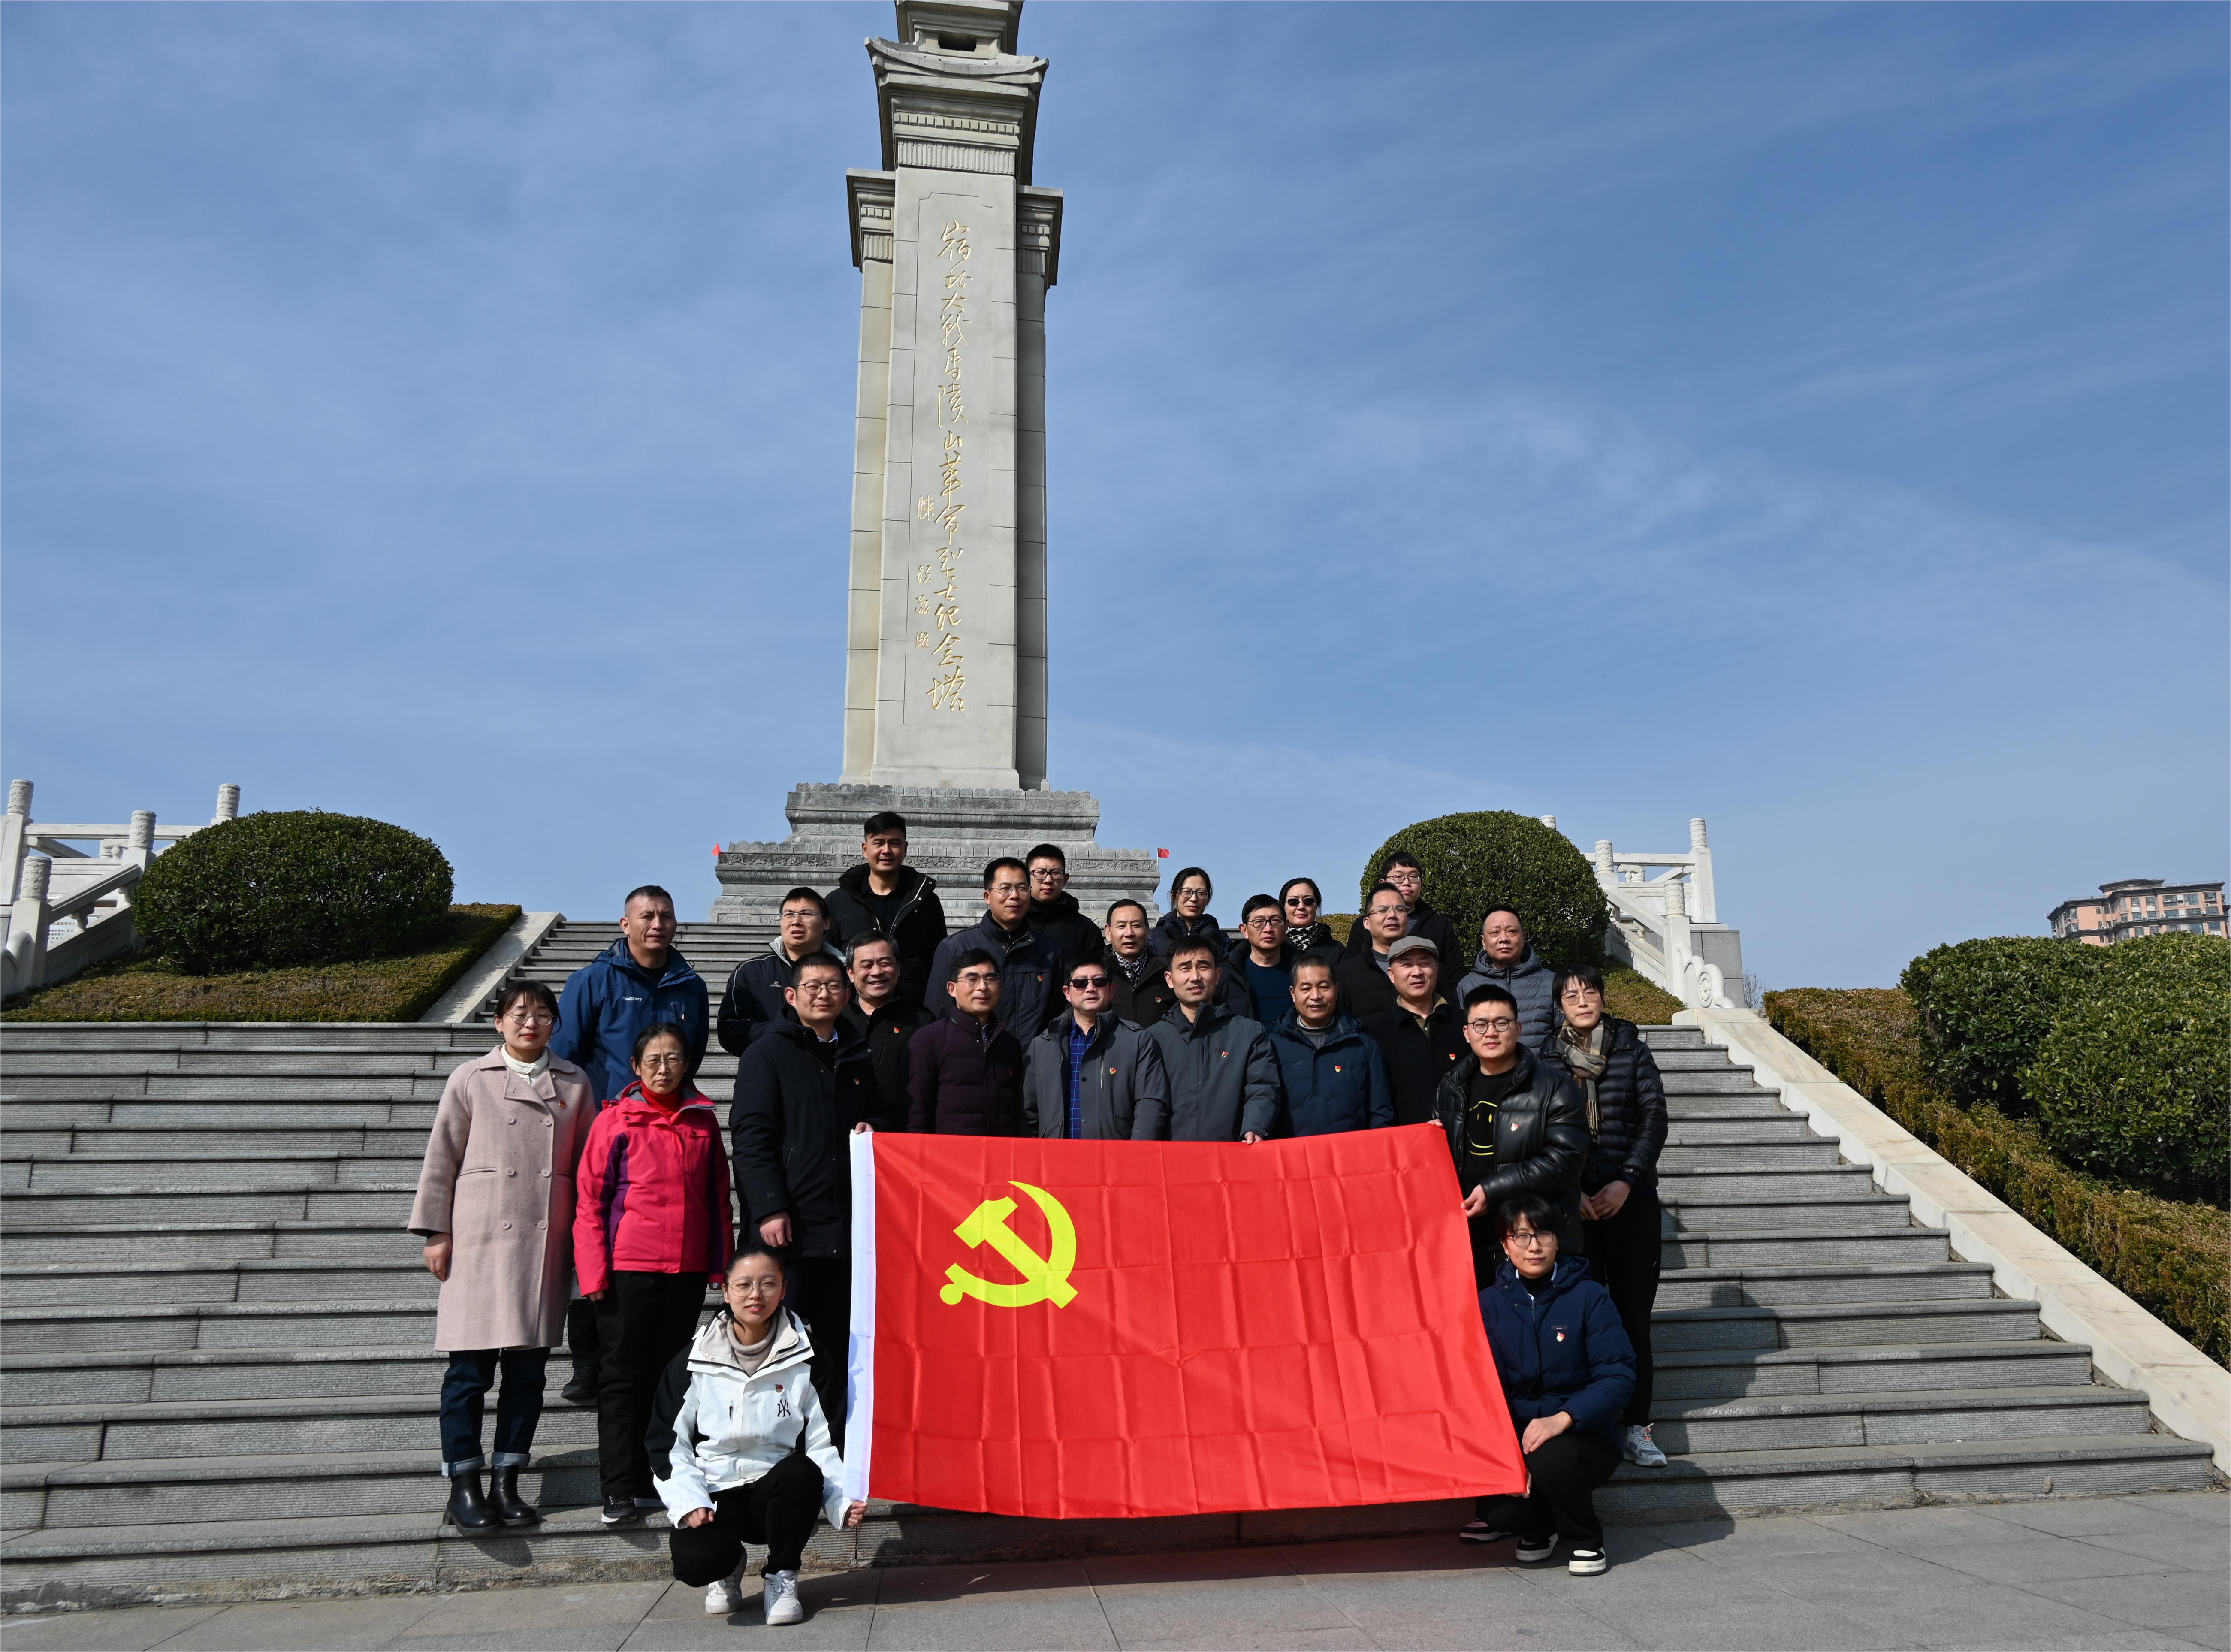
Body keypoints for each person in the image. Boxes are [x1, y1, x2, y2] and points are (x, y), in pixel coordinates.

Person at [410, 981, 594, 1530]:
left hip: (543, 1242)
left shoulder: (575, 1082)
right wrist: (435, 1231)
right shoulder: (471, 1076)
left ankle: (506, 1479)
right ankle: (463, 1483)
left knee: (527, 1374)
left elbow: (588, 1168)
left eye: (542, 1014)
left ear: (555, 1025)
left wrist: (586, 1243)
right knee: (468, 1372)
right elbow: (442, 1153)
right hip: (479, 1239)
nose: (530, 1023)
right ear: (498, 1022)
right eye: (519, 1013)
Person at [549, 886, 709, 1404]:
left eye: (665, 915)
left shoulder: (691, 985)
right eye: (646, 916)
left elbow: (694, 1055)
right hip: (604, 1131)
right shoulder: (592, 980)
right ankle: (587, 1362)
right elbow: (566, 1056)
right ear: (624, 924)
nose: (656, 924)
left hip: (664, 1133)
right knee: (594, 1241)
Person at [730, 953, 898, 1449]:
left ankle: (836, 1447)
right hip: (790, 1227)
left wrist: (876, 1128)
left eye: (832, 986)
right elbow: (752, 1134)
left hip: (846, 1227)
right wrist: (768, 1207)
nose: (823, 995)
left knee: (837, 1346)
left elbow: (880, 1115)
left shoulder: (857, 1053)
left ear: (847, 994)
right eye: (812, 987)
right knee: (782, 1344)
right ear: (791, 996)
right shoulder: (768, 1052)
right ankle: (774, 1446)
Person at [651, 1247, 866, 1625]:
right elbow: (667, 1443)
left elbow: (825, 1439)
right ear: (726, 1290)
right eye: (744, 1284)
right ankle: (727, 1567)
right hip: (716, 1493)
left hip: (775, 1491)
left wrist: (842, 1499)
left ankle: (781, 1574)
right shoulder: (693, 1359)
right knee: (696, 1564)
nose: (756, 1294)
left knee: (800, 1471)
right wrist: (689, 1501)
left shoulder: (809, 1357)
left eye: (768, 1284)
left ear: (783, 1289)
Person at [573, 1022, 733, 1526]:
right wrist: (593, 1274)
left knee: (670, 1379)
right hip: (627, 1269)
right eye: (653, 1060)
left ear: (687, 1064)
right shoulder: (615, 1121)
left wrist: (719, 1263)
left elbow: (717, 1197)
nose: (664, 1068)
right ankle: (618, 1486)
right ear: (636, 1067)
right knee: (622, 1377)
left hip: (684, 1270)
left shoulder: (702, 1122)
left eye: (673, 1058)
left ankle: (656, 1477)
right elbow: (590, 1203)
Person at [1470, 1193, 1635, 1575]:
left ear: (1558, 1239)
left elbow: (1619, 1373)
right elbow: (1484, 1383)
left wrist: (1564, 1417)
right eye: (1521, 1236)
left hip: (1583, 1432)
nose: (1533, 1246)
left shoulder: (1589, 1295)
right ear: (1505, 1244)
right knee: (1498, 1511)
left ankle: (1584, 1540)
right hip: (1517, 1430)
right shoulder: (1488, 1304)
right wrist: (1503, 1446)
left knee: (1552, 1458)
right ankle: (1539, 1525)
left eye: (1542, 1234)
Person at [1553, 964, 1670, 1468]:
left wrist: (1626, 1178)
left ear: (1603, 996)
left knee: (1632, 1316)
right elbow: (1544, 1125)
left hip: (1631, 1199)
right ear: (1558, 1004)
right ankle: (1591, 1418)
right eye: (1571, 994)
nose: (1582, 1000)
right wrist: (1571, 1186)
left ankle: (1638, 1425)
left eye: (1590, 991)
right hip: (1575, 1205)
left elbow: (1653, 1117)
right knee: (1583, 1318)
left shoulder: (1631, 1047)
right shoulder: (1546, 1057)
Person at [1435, 983, 1589, 1285]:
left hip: (1533, 1238)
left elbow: (1564, 1161)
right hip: (1467, 1239)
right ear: (1467, 1033)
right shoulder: (1450, 1088)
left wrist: (1492, 1190)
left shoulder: (1554, 1087)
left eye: (1501, 1023)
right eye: (1480, 1024)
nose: (1490, 1032)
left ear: (1518, 1028)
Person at [1135, 937, 1280, 1142]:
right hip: (1171, 1162)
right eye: (1185, 969)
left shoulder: (1249, 1034)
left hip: (1231, 1158)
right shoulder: (1152, 1038)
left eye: (1203, 967)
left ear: (1218, 975)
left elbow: (1263, 1088)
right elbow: (1147, 1105)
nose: (1195, 977)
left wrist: (1255, 1127)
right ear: (1169, 979)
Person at [1023, 958, 1169, 1139]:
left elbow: (1151, 1106)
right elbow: (1029, 1113)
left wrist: (1135, 1158)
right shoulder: (1043, 1045)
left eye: (1099, 982)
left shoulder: (1138, 1041)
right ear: (1068, 993)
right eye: (1081, 983)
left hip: (1116, 1161)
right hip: (1054, 1160)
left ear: (1112, 990)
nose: (1090, 988)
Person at [928, 858, 1065, 1041]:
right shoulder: (954, 947)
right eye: (1005, 888)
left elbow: (1058, 1017)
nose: (1015, 896)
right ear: (987, 897)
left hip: (1032, 1064)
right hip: (971, 1062)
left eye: (1022, 888)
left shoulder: (1051, 952)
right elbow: (937, 1015)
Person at [823, 811, 948, 1012]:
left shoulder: (926, 902)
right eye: (879, 843)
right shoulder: (838, 902)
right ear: (865, 849)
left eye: (895, 843)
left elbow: (939, 963)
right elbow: (828, 962)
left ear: (905, 848)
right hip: (853, 1015)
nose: (887, 850)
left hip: (914, 1013)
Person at [1264, 957, 1393, 1136]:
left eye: (1324, 987)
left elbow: (1381, 1113)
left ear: (1336, 990)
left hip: (1349, 1156)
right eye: (1306, 988)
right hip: (1292, 1157)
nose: (1316, 996)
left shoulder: (1364, 1045)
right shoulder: (1272, 1046)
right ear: (1293, 994)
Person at [907, 948, 1026, 1135]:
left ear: (1000, 987)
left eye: (990, 979)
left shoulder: (1010, 1045)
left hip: (1000, 1157)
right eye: (972, 979)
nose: (982, 987)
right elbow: (916, 1114)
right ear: (951, 989)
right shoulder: (929, 1039)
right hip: (948, 1157)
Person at [717, 889, 847, 1053]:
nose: (796, 921)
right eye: (789, 914)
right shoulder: (751, 972)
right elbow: (730, 1029)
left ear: (827, 923)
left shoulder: (847, 973)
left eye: (806, 914)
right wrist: (785, 1037)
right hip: (767, 1072)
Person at [1363, 936, 1467, 1127]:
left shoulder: (1465, 1023)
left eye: (1424, 963)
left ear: (1436, 970)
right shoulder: (1376, 1033)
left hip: (1464, 1141)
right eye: (1407, 965)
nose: (1417, 972)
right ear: (1391, 975)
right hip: (1407, 1144)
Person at [839, 934, 936, 1112]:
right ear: (851, 973)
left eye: (885, 963)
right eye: (866, 965)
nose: (876, 972)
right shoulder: (836, 1019)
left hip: (900, 1131)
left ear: (899, 968)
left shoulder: (923, 1022)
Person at [1341, 850, 1465, 984]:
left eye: (1413, 877)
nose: (1407, 883)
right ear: (1383, 882)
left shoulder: (1439, 925)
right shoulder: (1365, 925)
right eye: (1399, 877)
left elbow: (1455, 976)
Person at [1457, 906, 1558, 1056]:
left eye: (1512, 931)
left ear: (1523, 938)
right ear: (1484, 942)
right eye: (1495, 933)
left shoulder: (1551, 982)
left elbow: (1565, 1035)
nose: (1504, 939)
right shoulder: (1467, 986)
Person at [1332, 882, 1410, 1020]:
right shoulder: (1344, 974)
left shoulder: (1427, 968)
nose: (1392, 915)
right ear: (1367, 923)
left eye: (1399, 909)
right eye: (1382, 910)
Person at [1024, 843, 1104, 969]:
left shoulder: (1087, 930)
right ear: (1027, 878)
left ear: (1065, 879)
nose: (1048, 880)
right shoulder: (1013, 923)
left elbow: (1097, 976)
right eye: (1040, 873)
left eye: (1056, 873)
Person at [1102, 898, 1176, 1028]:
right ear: (1109, 933)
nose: (1129, 933)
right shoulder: (1097, 977)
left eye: (1136, 925)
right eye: (1121, 926)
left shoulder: (1166, 975)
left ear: (1147, 930)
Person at [1224, 894, 1297, 1023]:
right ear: (1244, 930)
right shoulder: (1229, 976)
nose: (1268, 929)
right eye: (1259, 922)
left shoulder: (1301, 971)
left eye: (1275, 921)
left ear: (1286, 926)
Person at [1148, 866, 1223, 958]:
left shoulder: (1222, 940)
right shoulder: (1154, 938)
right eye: (1187, 892)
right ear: (1174, 896)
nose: (1194, 899)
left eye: (1201, 893)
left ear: (1207, 899)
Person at [1280, 878, 1345, 968]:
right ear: (1283, 906)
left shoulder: (1337, 949)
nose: (1301, 907)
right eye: (1293, 902)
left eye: (1308, 901)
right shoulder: (1275, 947)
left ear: (1317, 905)